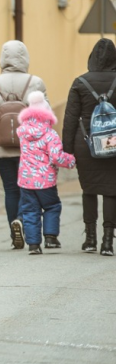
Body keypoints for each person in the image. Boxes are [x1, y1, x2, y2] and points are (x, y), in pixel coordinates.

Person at [0, 40, 47, 249]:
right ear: (25, 58)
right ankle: (22, 221)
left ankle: (14, 232)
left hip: (0, 147)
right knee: (28, 189)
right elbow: (45, 117)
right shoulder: (36, 83)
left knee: (10, 189)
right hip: (29, 147)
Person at [62, 38, 116, 256]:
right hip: (113, 144)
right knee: (112, 191)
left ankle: (90, 239)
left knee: (89, 189)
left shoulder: (80, 82)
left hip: (85, 144)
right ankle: (108, 243)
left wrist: (67, 151)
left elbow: (70, 118)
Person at [17, 91, 76, 255]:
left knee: (29, 211)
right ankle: (50, 237)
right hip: (45, 181)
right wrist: (71, 160)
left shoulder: (22, 133)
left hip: (26, 181)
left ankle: (34, 245)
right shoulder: (50, 134)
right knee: (52, 206)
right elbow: (57, 157)